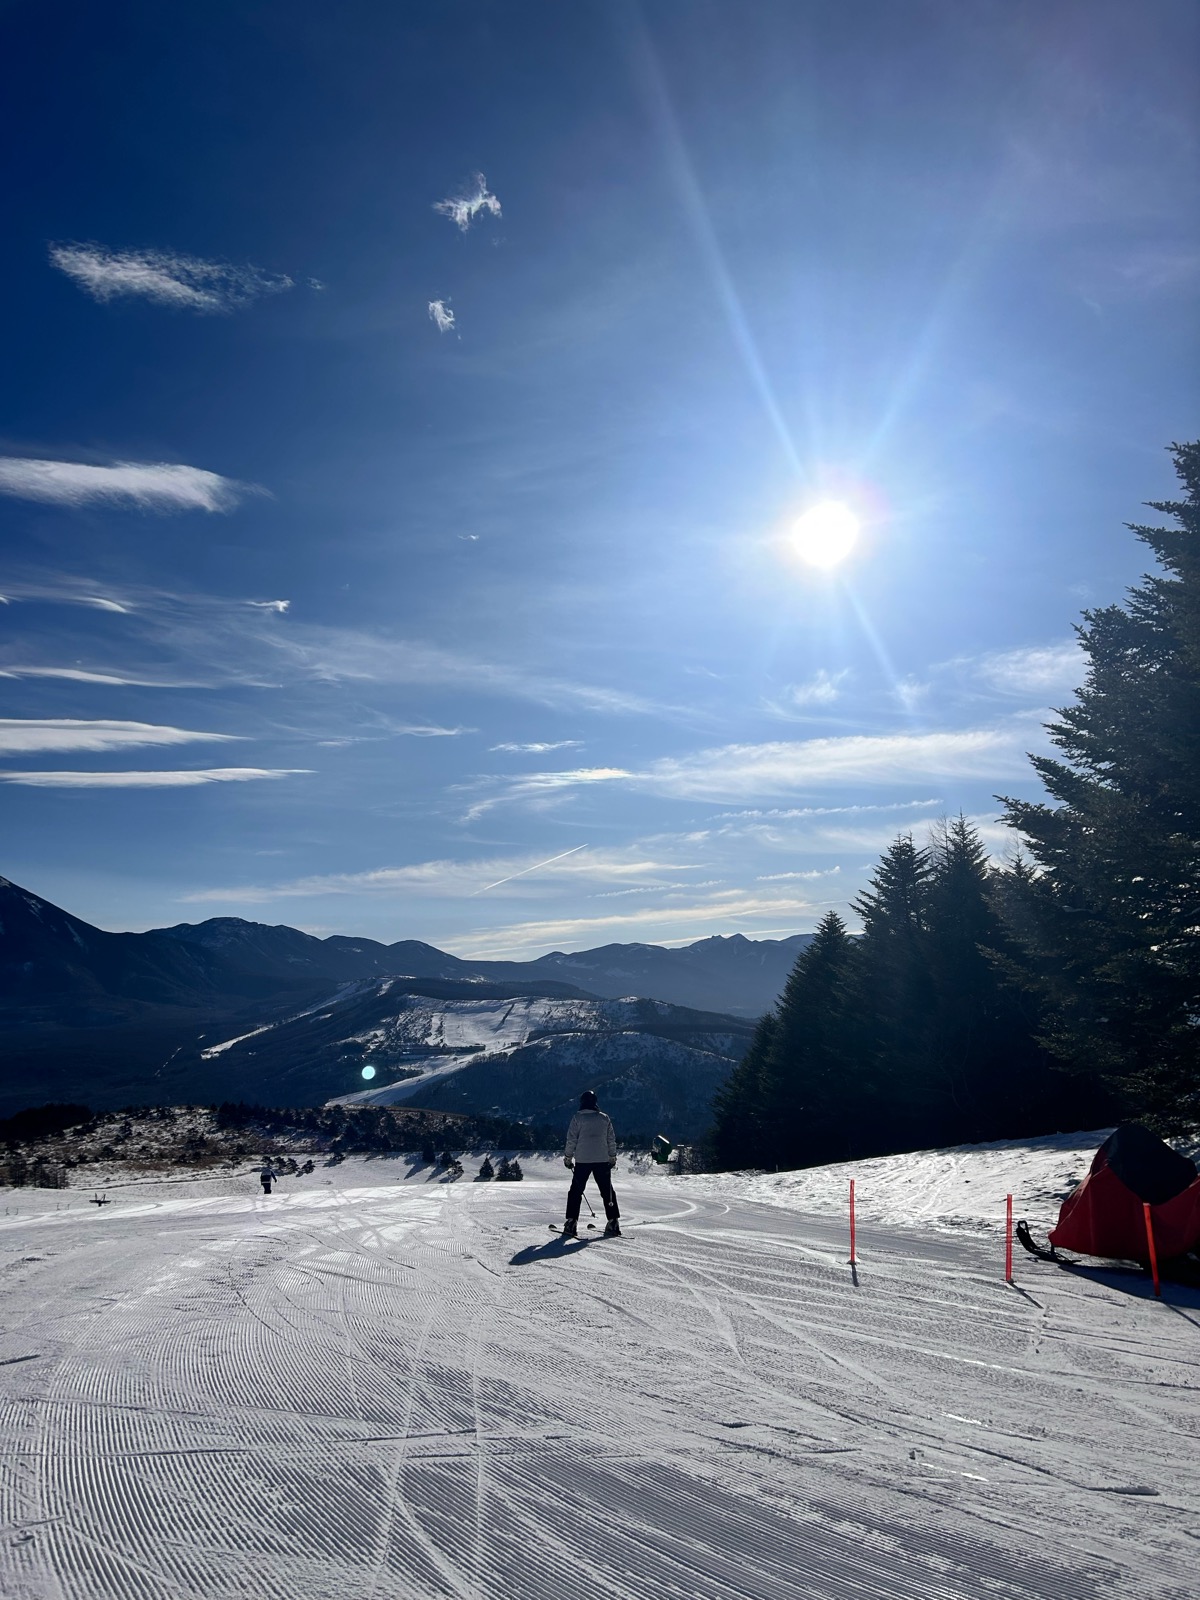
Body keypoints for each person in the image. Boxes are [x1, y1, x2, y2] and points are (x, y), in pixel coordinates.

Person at [562, 1090, 620, 1237]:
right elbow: (611, 1140)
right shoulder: (604, 1118)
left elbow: (571, 1140)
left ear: (582, 1103)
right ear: (595, 1102)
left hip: (583, 1160)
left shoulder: (577, 1118)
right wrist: (612, 1157)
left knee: (576, 1191)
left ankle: (571, 1222)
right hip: (602, 1160)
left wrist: (568, 1158)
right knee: (607, 1192)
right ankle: (613, 1222)